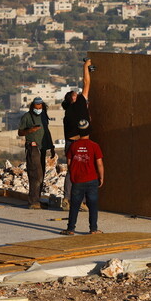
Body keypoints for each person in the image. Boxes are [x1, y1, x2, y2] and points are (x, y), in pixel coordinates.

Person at [61, 119, 104, 235]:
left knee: (74, 205)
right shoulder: (95, 146)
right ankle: (93, 229)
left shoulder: (73, 146)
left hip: (77, 181)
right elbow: (99, 163)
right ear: (89, 131)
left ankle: (70, 229)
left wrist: (73, 175)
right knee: (93, 205)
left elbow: (69, 163)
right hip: (91, 180)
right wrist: (101, 177)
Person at [60, 58, 92, 209]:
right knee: (84, 171)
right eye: (75, 94)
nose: (78, 94)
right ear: (73, 99)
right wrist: (85, 66)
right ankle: (82, 202)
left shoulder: (68, 113)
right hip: (80, 143)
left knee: (71, 171)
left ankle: (67, 199)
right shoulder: (79, 104)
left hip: (70, 143)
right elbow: (86, 83)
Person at [17, 96, 54, 209]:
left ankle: (37, 200)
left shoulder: (43, 116)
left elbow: (47, 132)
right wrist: (30, 131)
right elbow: (20, 132)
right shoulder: (27, 117)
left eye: (40, 105)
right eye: (36, 105)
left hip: (42, 148)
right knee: (35, 174)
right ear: (33, 106)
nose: (38, 107)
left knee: (41, 174)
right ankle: (33, 201)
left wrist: (51, 146)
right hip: (32, 147)